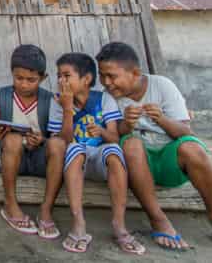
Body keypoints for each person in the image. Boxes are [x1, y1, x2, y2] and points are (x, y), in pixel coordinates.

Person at [96, 41, 212, 255]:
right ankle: (158, 219)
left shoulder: (161, 86)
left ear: (135, 73)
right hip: (136, 168)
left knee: (193, 148)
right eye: (102, 76)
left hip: (168, 162)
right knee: (132, 143)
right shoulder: (107, 97)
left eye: (112, 76)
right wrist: (127, 124)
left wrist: (161, 119)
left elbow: (185, 132)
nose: (107, 82)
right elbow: (114, 136)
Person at [49, 53, 143, 255]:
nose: (60, 81)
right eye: (58, 76)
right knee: (74, 148)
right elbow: (63, 140)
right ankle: (79, 223)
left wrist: (101, 132)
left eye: (66, 75)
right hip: (73, 161)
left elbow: (115, 137)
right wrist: (67, 109)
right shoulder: (56, 101)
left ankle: (119, 225)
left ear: (86, 79)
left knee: (114, 151)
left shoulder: (104, 99)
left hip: (100, 159)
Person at [0, 44, 65, 241]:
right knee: (12, 139)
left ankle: (46, 210)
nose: (24, 84)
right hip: (12, 161)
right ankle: (11, 205)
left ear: (43, 78)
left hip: (40, 162)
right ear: (12, 74)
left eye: (31, 80)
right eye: (19, 78)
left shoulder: (52, 100)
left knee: (58, 145)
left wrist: (43, 140)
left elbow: (58, 135)